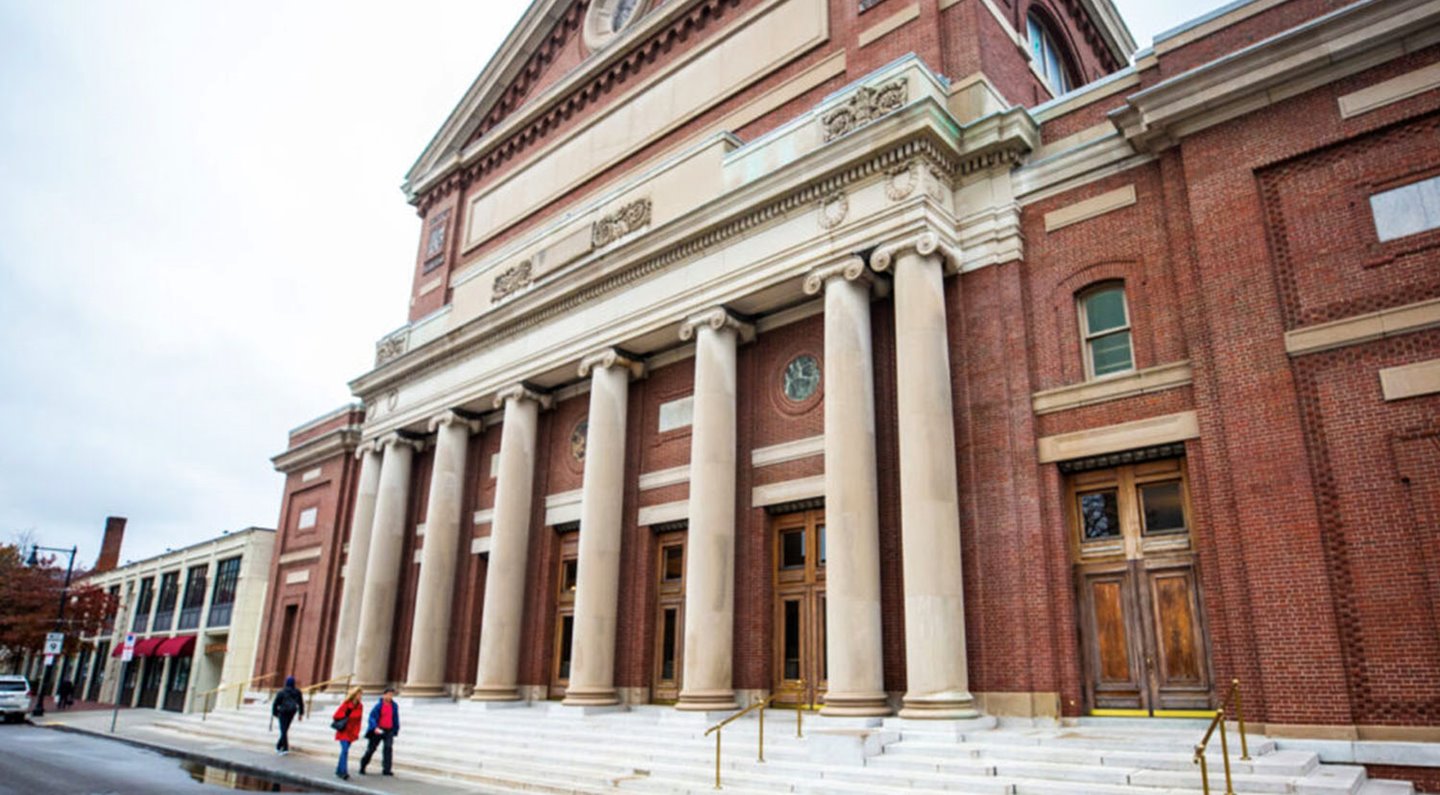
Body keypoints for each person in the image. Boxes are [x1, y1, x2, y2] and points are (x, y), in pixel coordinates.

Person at [359, 687, 400, 776]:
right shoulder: (378, 706)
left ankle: (387, 769)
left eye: (391, 695)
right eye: (388, 694)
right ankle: (363, 765)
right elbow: (372, 717)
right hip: (378, 730)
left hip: (389, 730)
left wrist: (395, 729)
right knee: (371, 749)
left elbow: (395, 718)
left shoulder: (394, 706)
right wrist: (375, 727)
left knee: (388, 748)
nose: (390, 696)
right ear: (384, 695)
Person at [332, 687, 364, 780]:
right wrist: (347, 715)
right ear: (354, 694)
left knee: (344, 751)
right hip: (344, 730)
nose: (360, 696)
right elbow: (336, 715)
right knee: (345, 750)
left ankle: (339, 770)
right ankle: (343, 772)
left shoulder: (360, 706)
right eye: (359, 694)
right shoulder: (346, 704)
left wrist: (357, 732)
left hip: (352, 732)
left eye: (361, 694)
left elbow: (359, 720)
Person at [271, 676, 305, 755]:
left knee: (283, 729)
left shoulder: (282, 692)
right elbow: (301, 703)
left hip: (283, 712)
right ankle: (278, 746)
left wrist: (275, 713)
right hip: (292, 712)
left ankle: (285, 748)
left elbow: (275, 703)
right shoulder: (297, 692)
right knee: (285, 729)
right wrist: (300, 714)